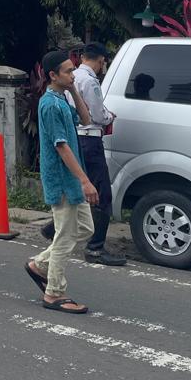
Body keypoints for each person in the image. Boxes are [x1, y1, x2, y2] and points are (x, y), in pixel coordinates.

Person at [25, 49, 98, 314]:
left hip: (71, 179)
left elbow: (87, 119)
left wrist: (74, 90)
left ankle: (39, 264)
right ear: (53, 75)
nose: (73, 74)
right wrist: (85, 181)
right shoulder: (50, 105)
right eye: (68, 71)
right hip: (61, 179)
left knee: (85, 228)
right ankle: (54, 292)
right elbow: (61, 146)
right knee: (65, 236)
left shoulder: (62, 99)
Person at [70, 42, 125, 265]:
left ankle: (53, 229)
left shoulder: (71, 76)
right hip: (90, 139)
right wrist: (110, 116)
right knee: (101, 193)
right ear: (101, 61)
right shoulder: (90, 81)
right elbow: (98, 115)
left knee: (79, 188)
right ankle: (95, 248)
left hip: (75, 136)